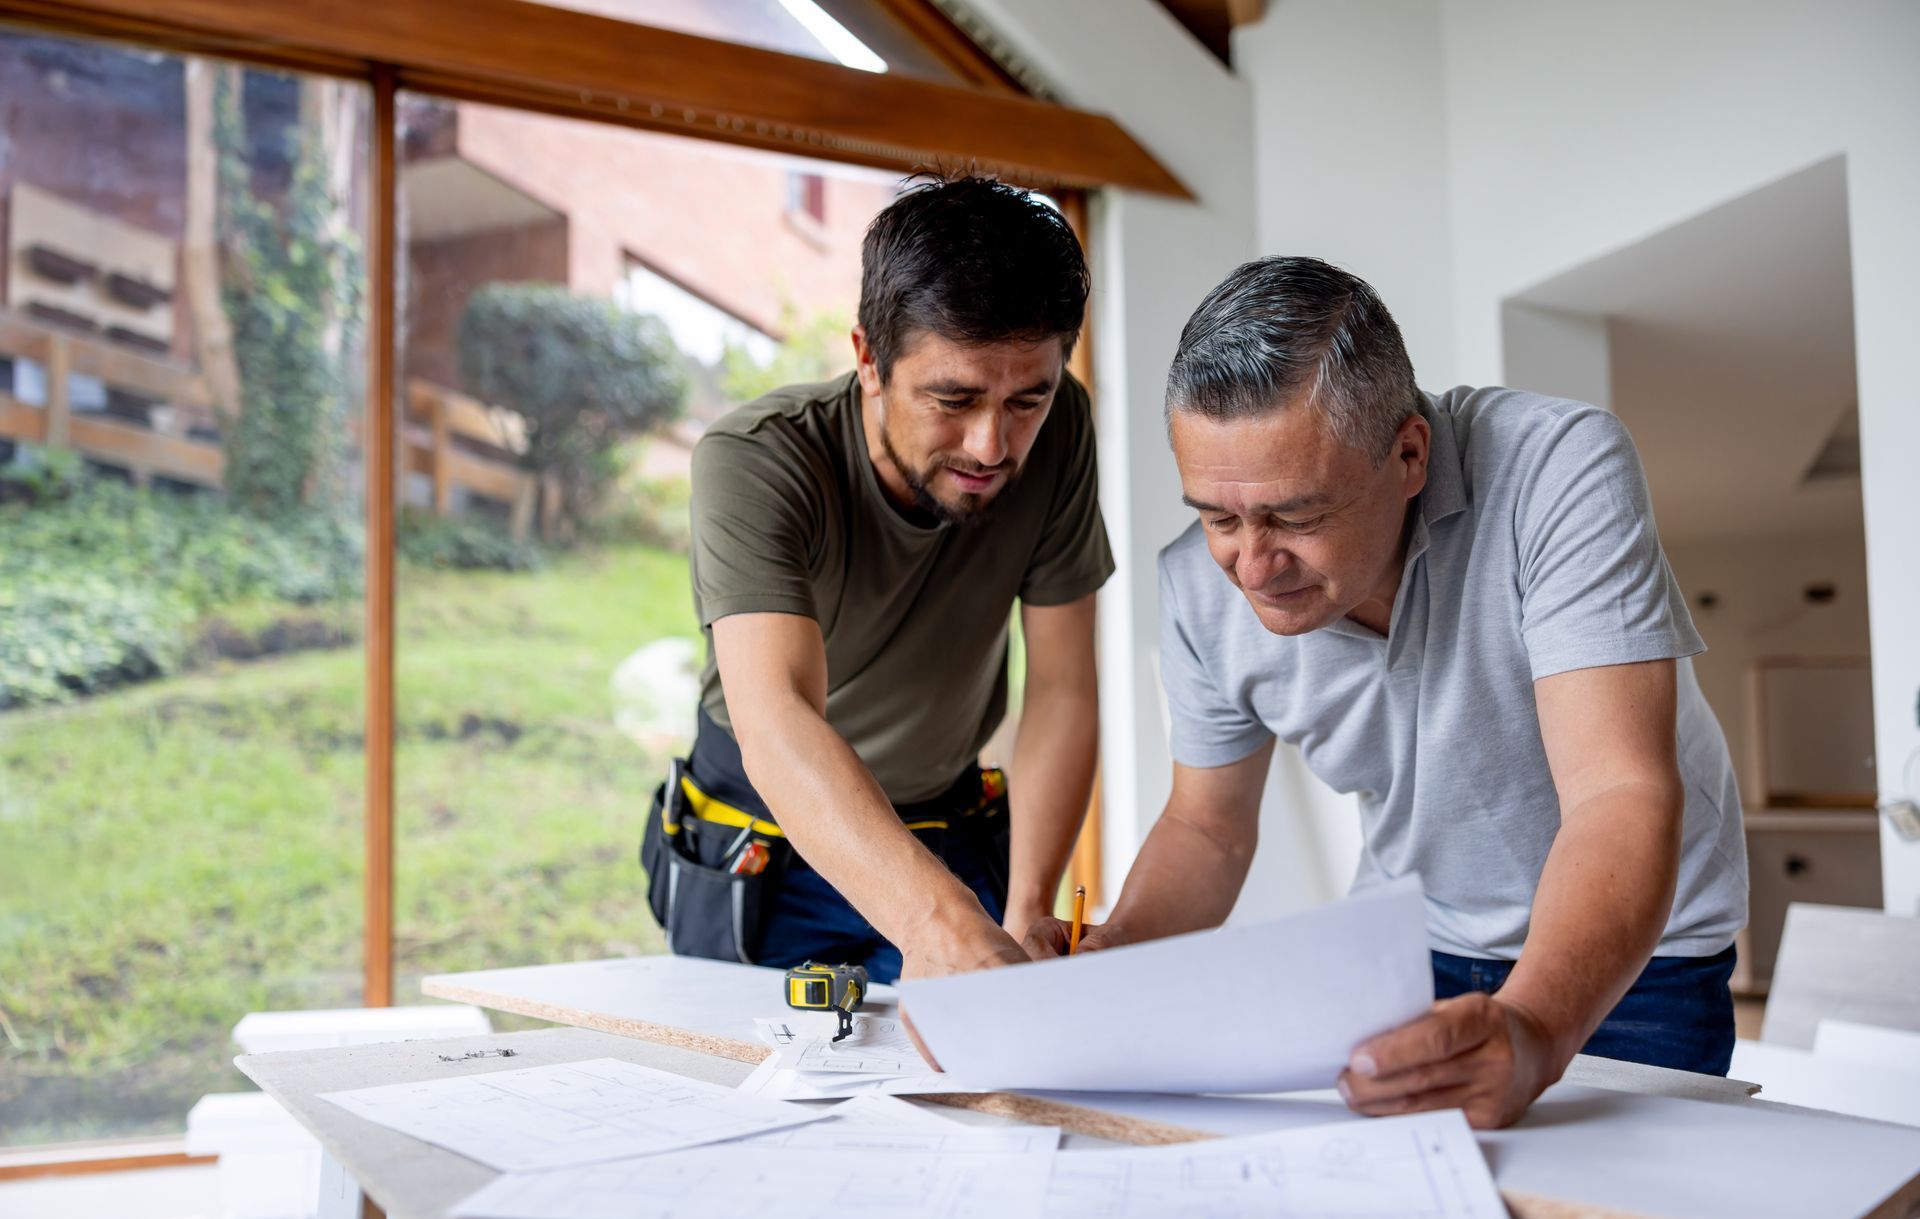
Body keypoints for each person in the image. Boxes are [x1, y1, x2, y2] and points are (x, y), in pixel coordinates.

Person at [1025, 256, 1747, 1129]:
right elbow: (1207, 827)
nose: (1252, 566)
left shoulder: (1557, 469)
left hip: (1636, 962)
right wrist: (1118, 949)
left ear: (1409, 453)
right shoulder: (1193, 586)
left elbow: (1617, 791)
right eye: (1218, 516)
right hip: (1410, 939)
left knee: (1614, 1216)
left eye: (1295, 516)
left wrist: (1533, 1026)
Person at [643, 175, 1111, 987]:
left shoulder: (1060, 425)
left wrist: (1027, 904)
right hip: (767, 843)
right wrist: (939, 922)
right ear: (868, 358)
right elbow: (778, 718)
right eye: (953, 398)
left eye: (1024, 400)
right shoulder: (757, 460)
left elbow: (1064, 686)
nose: (991, 445)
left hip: (952, 827)